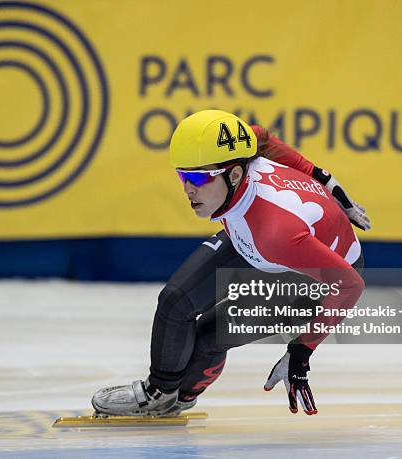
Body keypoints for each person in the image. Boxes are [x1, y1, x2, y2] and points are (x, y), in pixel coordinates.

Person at [92, 110, 370, 417]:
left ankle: (182, 397)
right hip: (265, 232)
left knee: (209, 338)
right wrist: (328, 183)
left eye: (198, 177)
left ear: (234, 174)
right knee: (175, 301)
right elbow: (261, 136)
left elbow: (350, 285)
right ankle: (159, 392)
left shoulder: (275, 234)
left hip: (312, 279)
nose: (188, 189)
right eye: (183, 176)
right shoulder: (239, 147)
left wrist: (302, 350)